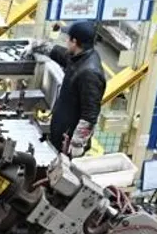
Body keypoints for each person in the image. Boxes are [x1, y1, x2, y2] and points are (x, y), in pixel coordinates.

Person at [32, 20, 106, 159]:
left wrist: (77, 145)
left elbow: (90, 114)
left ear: (74, 41)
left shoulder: (89, 73)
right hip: (61, 129)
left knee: (61, 170)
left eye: (68, 38)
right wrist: (37, 46)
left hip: (69, 142)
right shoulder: (80, 56)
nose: (66, 41)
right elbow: (61, 55)